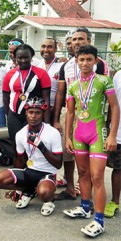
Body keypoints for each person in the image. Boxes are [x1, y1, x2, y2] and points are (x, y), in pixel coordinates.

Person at [62, 45, 119, 238]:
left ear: (96, 61)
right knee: (83, 173)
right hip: (79, 134)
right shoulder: (72, 85)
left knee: (97, 176)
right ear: (76, 62)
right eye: (81, 60)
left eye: (89, 59)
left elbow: (115, 108)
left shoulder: (104, 80)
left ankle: (99, 221)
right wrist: (67, 136)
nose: (85, 63)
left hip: (97, 133)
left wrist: (112, 135)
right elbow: (70, 112)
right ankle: (85, 208)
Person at [53, 27, 109, 200]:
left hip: (92, 116)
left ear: (89, 41)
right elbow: (61, 92)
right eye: (74, 39)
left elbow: (104, 93)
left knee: (90, 162)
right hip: (70, 112)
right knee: (68, 153)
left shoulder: (99, 63)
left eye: (81, 39)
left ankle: (87, 195)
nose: (77, 42)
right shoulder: (67, 65)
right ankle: (70, 188)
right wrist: (56, 119)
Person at [0, 97, 62, 216]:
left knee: (44, 193)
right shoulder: (20, 134)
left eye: (37, 113)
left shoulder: (52, 133)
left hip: (47, 172)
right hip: (30, 171)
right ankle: (28, 191)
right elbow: (20, 159)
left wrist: (41, 147)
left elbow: (58, 164)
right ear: (26, 114)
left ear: (43, 114)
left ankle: (49, 200)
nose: (33, 116)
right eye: (30, 112)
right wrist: (18, 188)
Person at [104, 69, 121, 218]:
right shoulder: (118, 75)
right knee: (118, 168)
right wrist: (109, 129)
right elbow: (112, 104)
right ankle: (115, 202)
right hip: (119, 132)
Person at [36, 37, 63, 121]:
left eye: (49, 47)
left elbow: (62, 91)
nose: (46, 49)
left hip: (54, 108)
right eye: (43, 46)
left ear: (55, 49)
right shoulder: (37, 65)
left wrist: (55, 109)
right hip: (37, 108)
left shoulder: (62, 65)